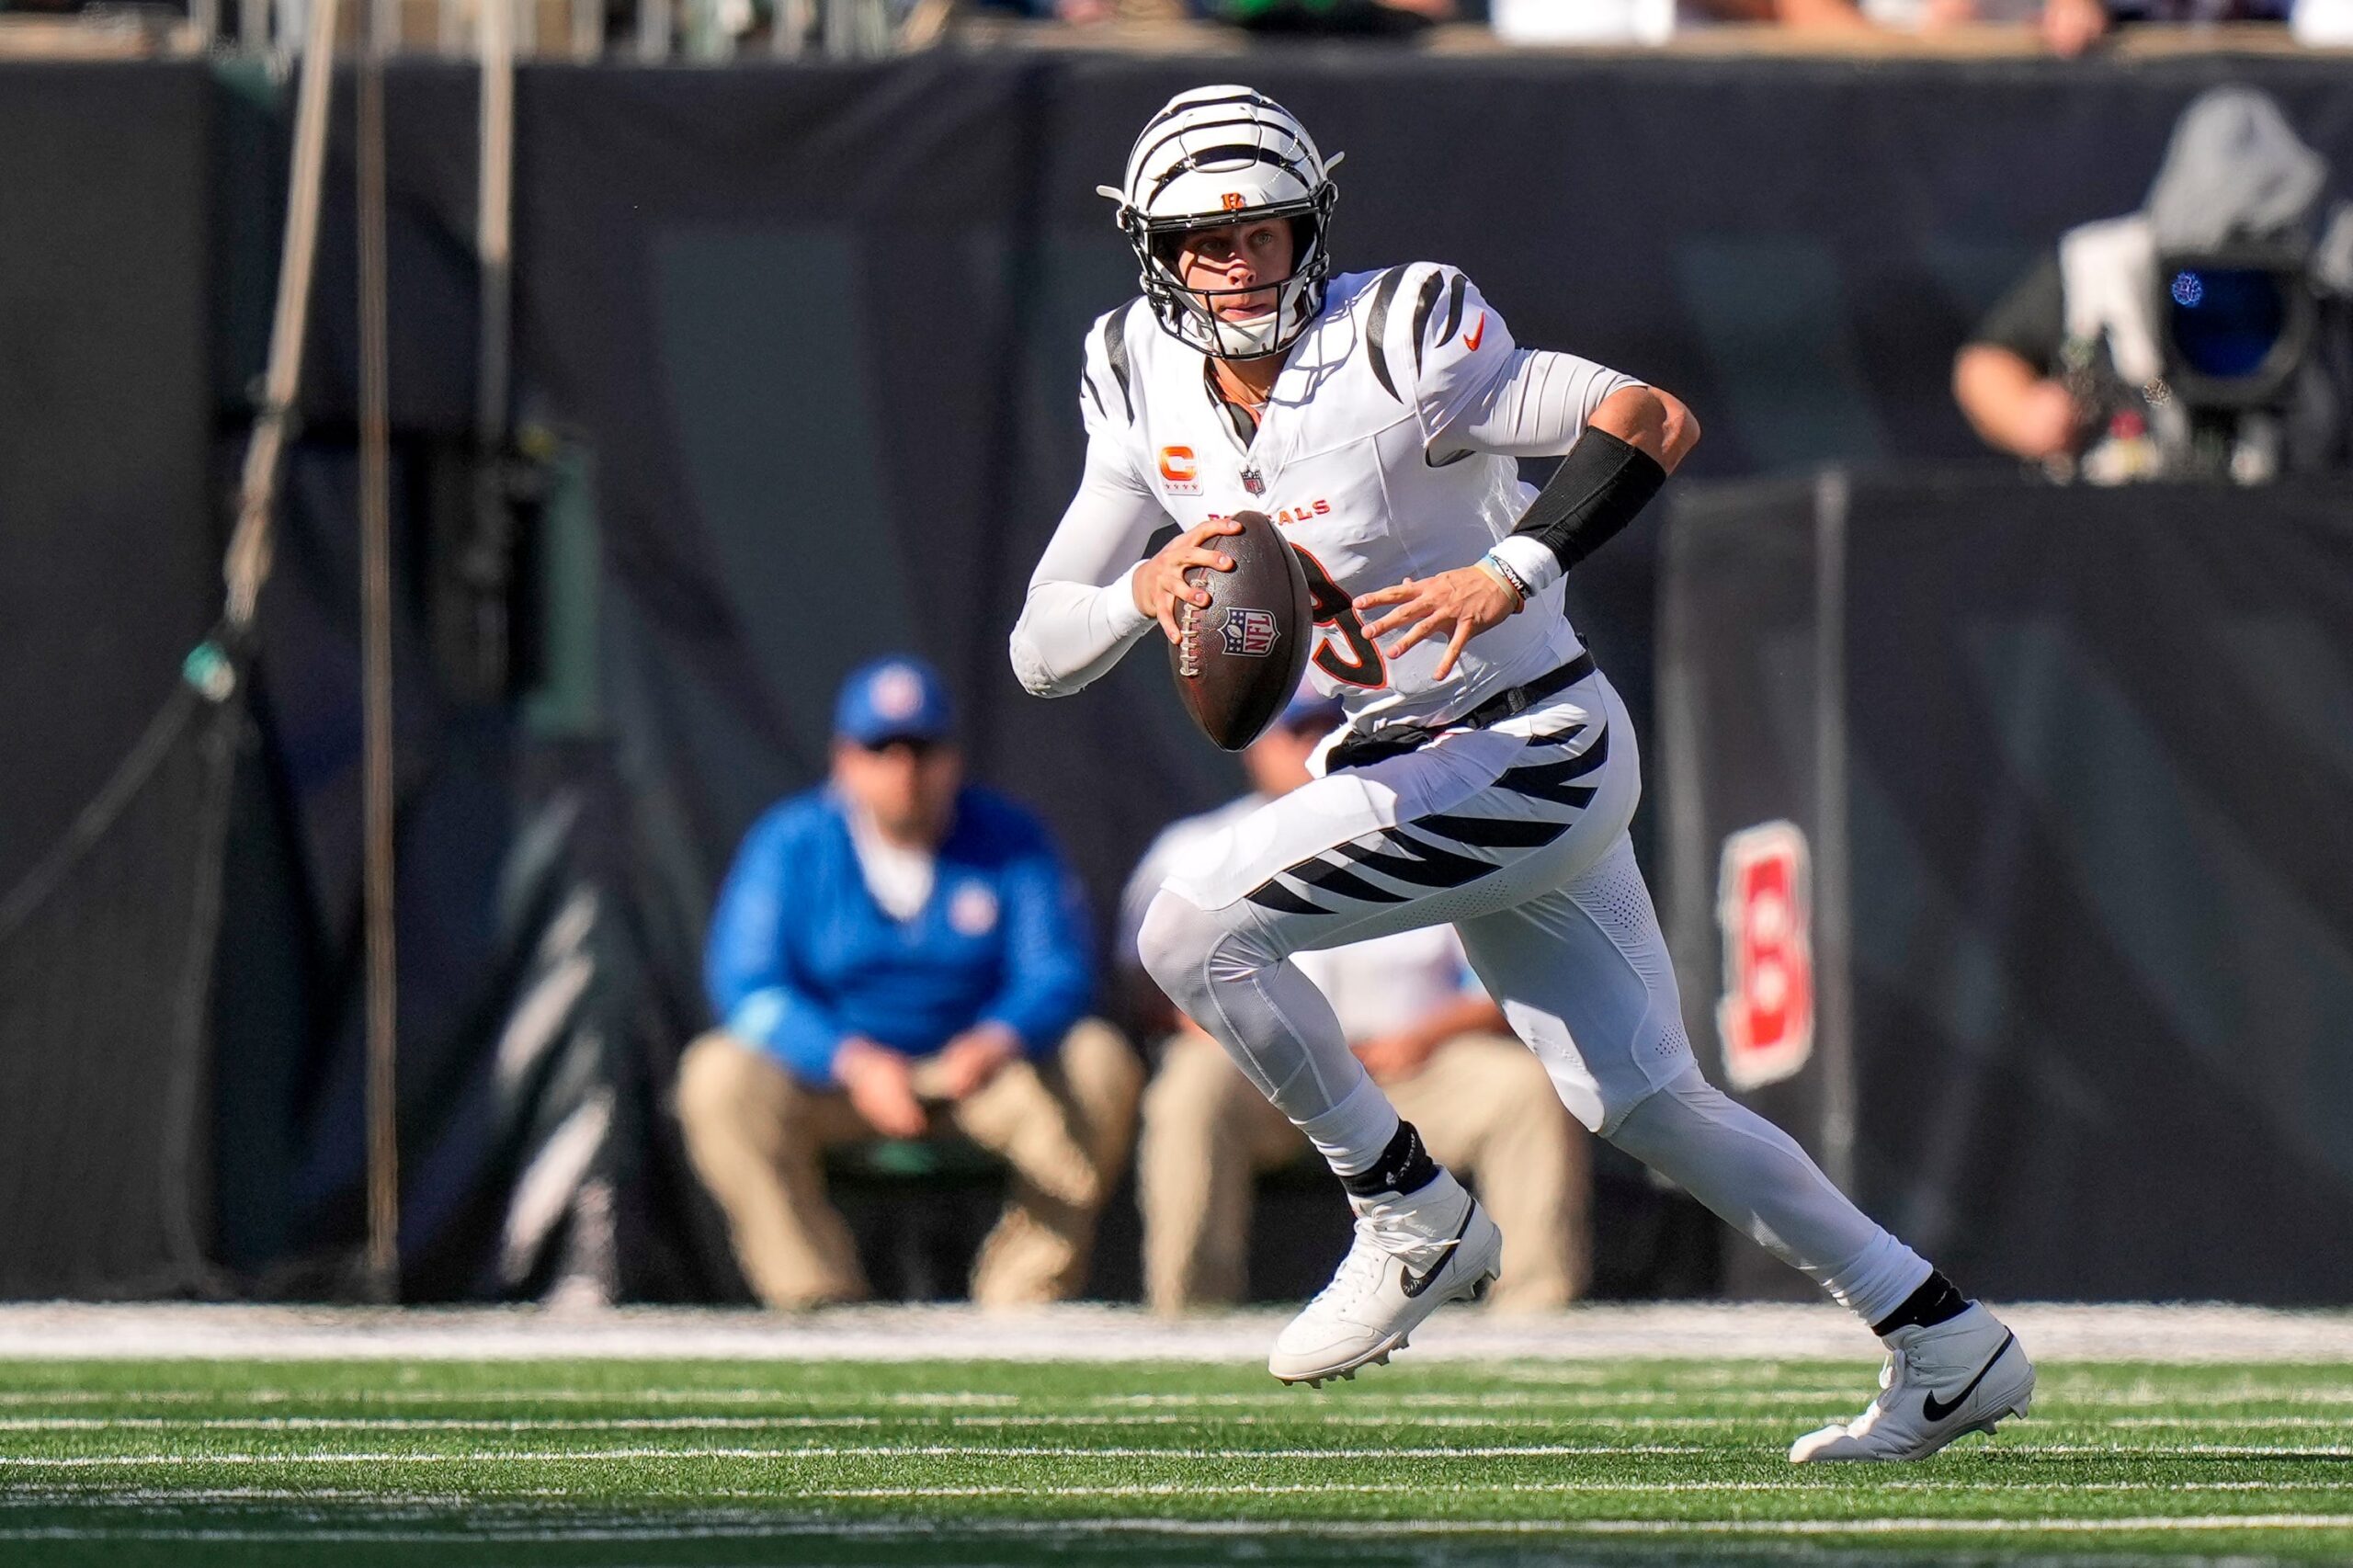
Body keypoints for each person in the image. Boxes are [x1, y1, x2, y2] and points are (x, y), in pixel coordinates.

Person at [1007, 85, 2033, 1461]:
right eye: (1206, 239)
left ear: (1313, 224)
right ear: (1154, 250)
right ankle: (1944, 1335)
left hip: (1525, 737)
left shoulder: (1399, 333)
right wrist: (1145, 585)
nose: (1239, 262)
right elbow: (1039, 647)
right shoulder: (1138, 374)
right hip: (1421, 752)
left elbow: (1646, 416)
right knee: (1649, 1101)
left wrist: (1514, 567)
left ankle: (1408, 1209)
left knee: (1193, 925)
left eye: (1265, 229)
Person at [676, 655, 1141, 1308]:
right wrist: (850, 1061)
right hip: (839, 1083)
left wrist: (995, 1040)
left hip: (976, 1078)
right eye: (881, 750)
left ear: (952, 758)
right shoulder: (791, 844)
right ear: (844, 759)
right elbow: (748, 988)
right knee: (717, 1075)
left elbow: (1058, 971)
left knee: (1098, 1060)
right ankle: (816, 1295)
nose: (904, 772)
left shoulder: (1009, 838)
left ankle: (1025, 1296)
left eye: (922, 750)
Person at [1124, 691, 1587, 1316]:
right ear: (1255, 747)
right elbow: (1147, 983)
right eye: (1297, 734)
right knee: (1189, 1085)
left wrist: (1429, 1036)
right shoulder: (1195, 846)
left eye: (1328, 731)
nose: (1316, 750)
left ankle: (1534, 1310)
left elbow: (1502, 981)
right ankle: (1189, 1310)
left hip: (1408, 1069)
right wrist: (1218, 1029)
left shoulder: (1431, 834)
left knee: (1522, 1089)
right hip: (1264, 1073)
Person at [1954, 85, 2353, 484]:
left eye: (2252, 288)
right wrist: (2025, 415)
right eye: (2202, 279)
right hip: (2151, 424)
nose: (2225, 307)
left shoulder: (2330, 277)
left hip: (2297, 499)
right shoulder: (2103, 269)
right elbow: (1986, 361)